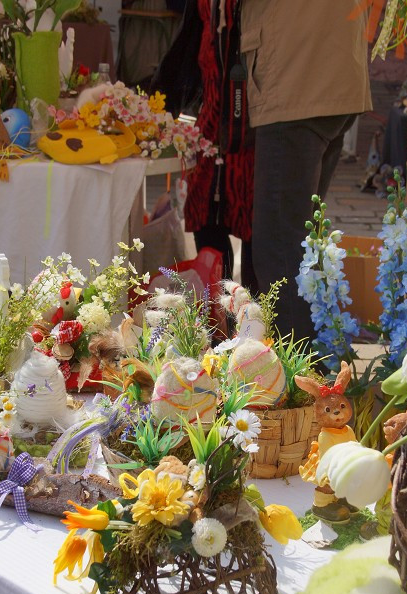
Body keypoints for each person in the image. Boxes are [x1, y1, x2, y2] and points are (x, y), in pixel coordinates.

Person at [240, 0, 373, 341]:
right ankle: (312, 361)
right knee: (302, 244)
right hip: (333, 66)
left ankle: (295, 377)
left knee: (281, 249)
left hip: (296, 74)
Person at [153, 0, 256, 291]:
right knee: (205, 214)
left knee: (255, 226)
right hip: (212, 121)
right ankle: (220, 311)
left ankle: (259, 316)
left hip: (254, 123)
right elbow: (189, 42)